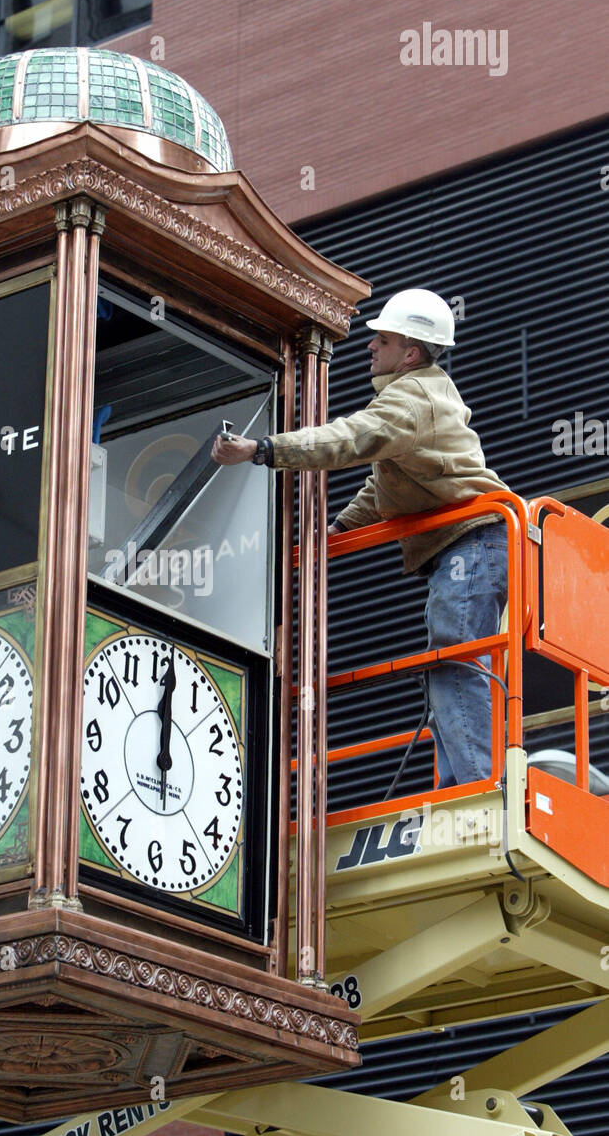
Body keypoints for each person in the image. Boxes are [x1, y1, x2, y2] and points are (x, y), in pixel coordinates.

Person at [211, 288, 510, 789]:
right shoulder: (420, 397)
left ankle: (478, 787)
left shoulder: (412, 396)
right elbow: (387, 482)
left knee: (453, 661)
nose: (371, 347)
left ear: (411, 352)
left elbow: (350, 439)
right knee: (449, 664)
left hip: (472, 543)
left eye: (384, 339)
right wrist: (343, 527)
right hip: (472, 545)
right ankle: (465, 783)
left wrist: (264, 449)